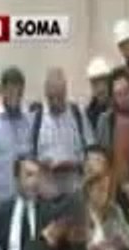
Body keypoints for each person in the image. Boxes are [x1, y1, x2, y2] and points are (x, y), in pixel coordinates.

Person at [30, 68, 94, 199]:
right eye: (51, 97)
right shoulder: (36, 118)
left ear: (65, 92)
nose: (55, 102)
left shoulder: (78, 114)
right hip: (47, 195)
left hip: (75, 192)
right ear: (45, 93)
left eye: (59, 97)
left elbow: (91, 150)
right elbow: (28, 157)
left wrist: (77, 163)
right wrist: (40, 164)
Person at [96, 67, 129, 217]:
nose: (123, 98)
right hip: (113, 191)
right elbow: (101, 158)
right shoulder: (105, 121)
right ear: (112, 96)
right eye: (118, 94)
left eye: (126, 92)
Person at [0, 67, 33, 210]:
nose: (15, 95)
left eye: (19, 92)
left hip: (27, 198)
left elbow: (30, 155)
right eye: (10, 90)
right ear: (2, 90)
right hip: (0, 200)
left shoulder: (29, 119)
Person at [85, 57, 111, 133]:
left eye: (103, 81)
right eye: (94, 83)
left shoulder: (118, 108)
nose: (100, 88)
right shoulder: (89, 113)